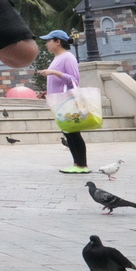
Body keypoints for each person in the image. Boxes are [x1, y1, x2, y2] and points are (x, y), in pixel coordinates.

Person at [37, 30, 87, 173]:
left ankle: (81, 165)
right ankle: (76, 164)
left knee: (73, 133)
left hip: (67, 101)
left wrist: (54, 72)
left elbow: (74, 79)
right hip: (59, 102)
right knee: (68, 133)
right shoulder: (58, 58)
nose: (46, 44)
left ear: (58, 41)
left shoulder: (67, 57)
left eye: (49, 41)